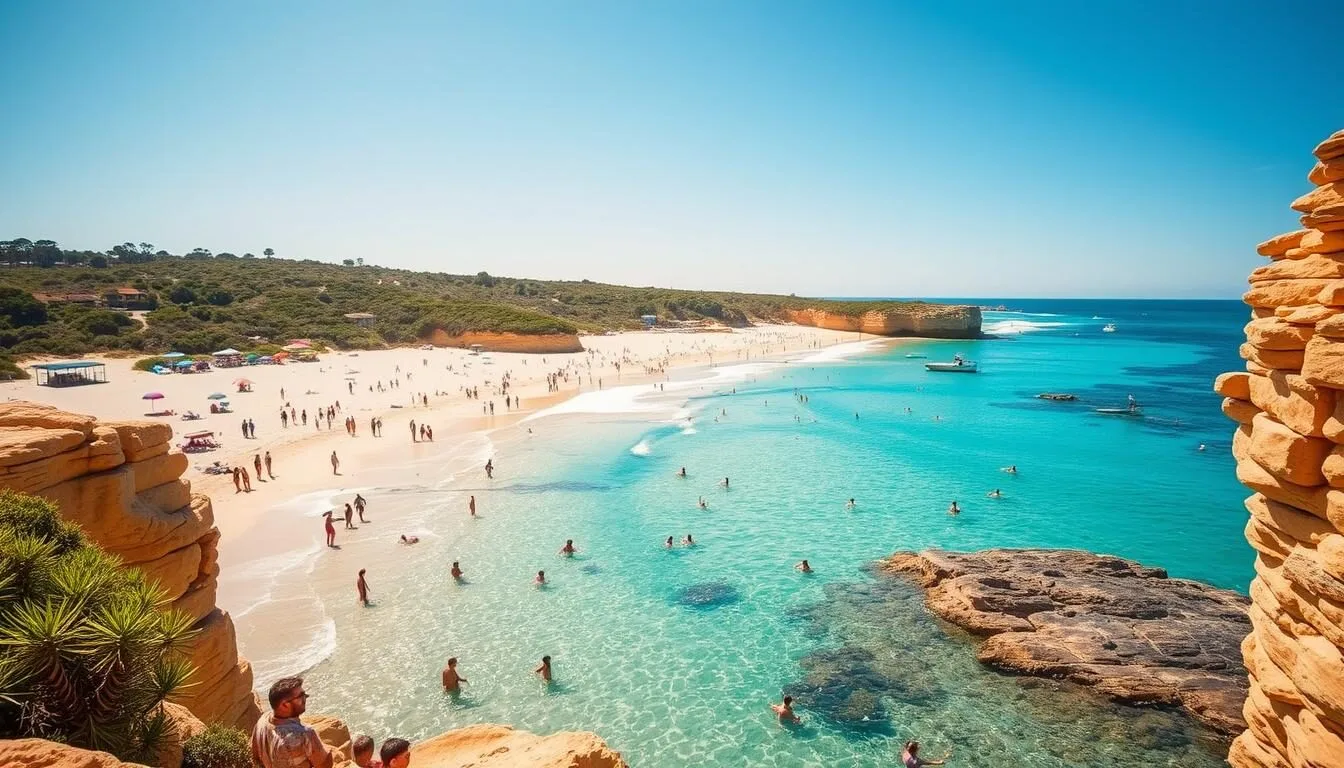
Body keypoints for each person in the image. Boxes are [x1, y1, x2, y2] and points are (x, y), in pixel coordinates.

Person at [251, 677, 332, 768]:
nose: (306, 697)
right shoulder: (304, 735)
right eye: (301, 696)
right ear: (285, 704)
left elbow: (255, 756)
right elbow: (325, 764)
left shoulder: (262, 722)